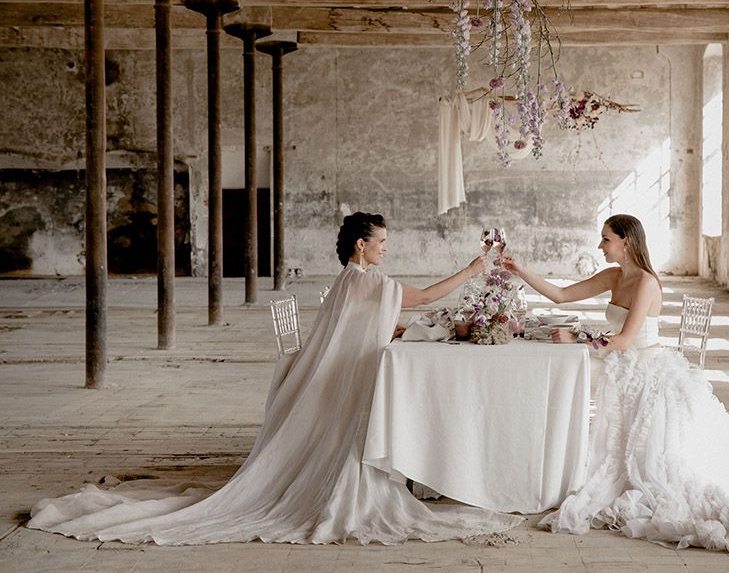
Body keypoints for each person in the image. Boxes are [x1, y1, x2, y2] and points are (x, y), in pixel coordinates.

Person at [27, 212, 522, 545]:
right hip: (347, 379)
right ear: (361, 245)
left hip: (333, 373)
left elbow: (369, 320)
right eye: (382, 243)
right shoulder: (369, 281)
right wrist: (473, 268)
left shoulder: (353, 281)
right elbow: (421, 298)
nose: (386, 250)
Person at [501, 214, 729, 551]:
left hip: (646, 369)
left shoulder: (646, 283)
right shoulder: (614, 275)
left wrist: (578, 339)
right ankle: (546, 461)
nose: (600, 245)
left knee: (574, 376)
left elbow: (623, 340)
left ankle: (554, 457)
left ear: (626, 242)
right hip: (621, 362)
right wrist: (520, 270)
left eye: (606, 239)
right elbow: (562, 295)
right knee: (566, 372)